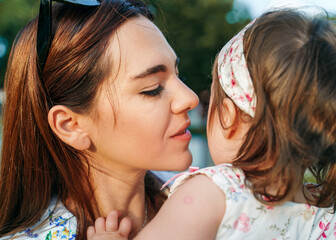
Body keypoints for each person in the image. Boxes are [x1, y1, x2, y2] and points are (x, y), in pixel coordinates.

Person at [87, 9, 336, 240]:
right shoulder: (327, 214)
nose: (192, 99)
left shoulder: (213, 194)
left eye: (213, 96)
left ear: (228, 115)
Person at [0, 0, 199, 239]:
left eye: (179, 74)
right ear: (71, 125)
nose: (190, 98)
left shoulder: (209, 202)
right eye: (153, 88)